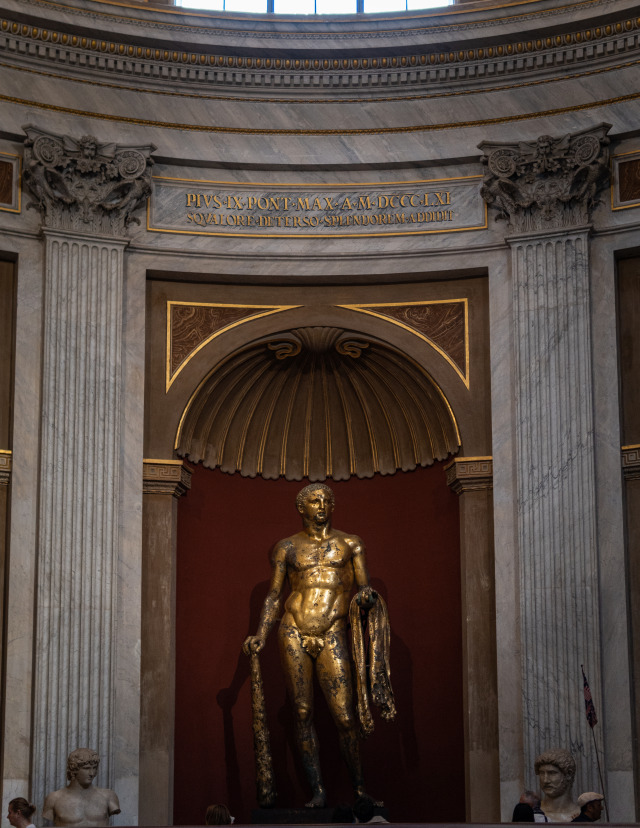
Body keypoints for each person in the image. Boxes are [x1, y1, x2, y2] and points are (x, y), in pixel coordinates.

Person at [243, 483, 393, 808]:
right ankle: (318, 791)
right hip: (293, 629)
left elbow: (363, 588)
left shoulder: (350, 544)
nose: (321, 505)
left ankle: (359, 789)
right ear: (302, 508)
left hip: (333, 629)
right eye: (314, 500)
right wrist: (261, 634)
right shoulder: (286, 548)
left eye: (327, 500)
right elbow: (274, 595)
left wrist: (366, 599)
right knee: (301, 711)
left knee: (344, 716)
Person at [42, 748, 120, 827]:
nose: (92, 773)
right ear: (74, 769)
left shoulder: (108, 796)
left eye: (94, 768)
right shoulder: (54, 798)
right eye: (86, 768)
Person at [534, 749, 578, 822]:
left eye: (552, 773)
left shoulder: (580, 815)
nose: (545, 780)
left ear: (569, 774)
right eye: (542, 773)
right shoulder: (532, 814)